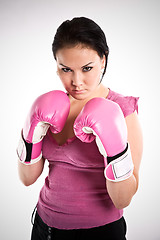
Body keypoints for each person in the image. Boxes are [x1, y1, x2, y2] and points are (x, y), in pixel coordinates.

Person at [17, 17, 143, 240]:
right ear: (56, 64)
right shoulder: (49, 108)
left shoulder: (122, 110)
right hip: (43, 227)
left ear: (103, 60)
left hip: (98, 233)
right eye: (66, 69)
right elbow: (27, 178)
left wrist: (114, 149)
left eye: (87, 68)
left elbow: (122, 200)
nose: (77, 81)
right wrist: (31, 133)